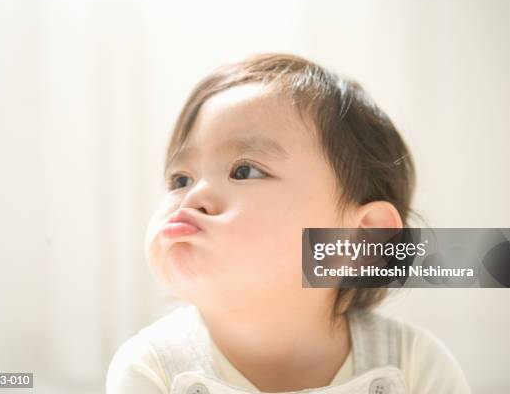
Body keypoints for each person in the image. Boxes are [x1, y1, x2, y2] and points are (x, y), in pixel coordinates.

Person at [106, 53, 471, 394]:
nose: (193, 197)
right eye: (180, 180)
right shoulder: (151, 369)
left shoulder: (414, 366)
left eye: (244, 170)